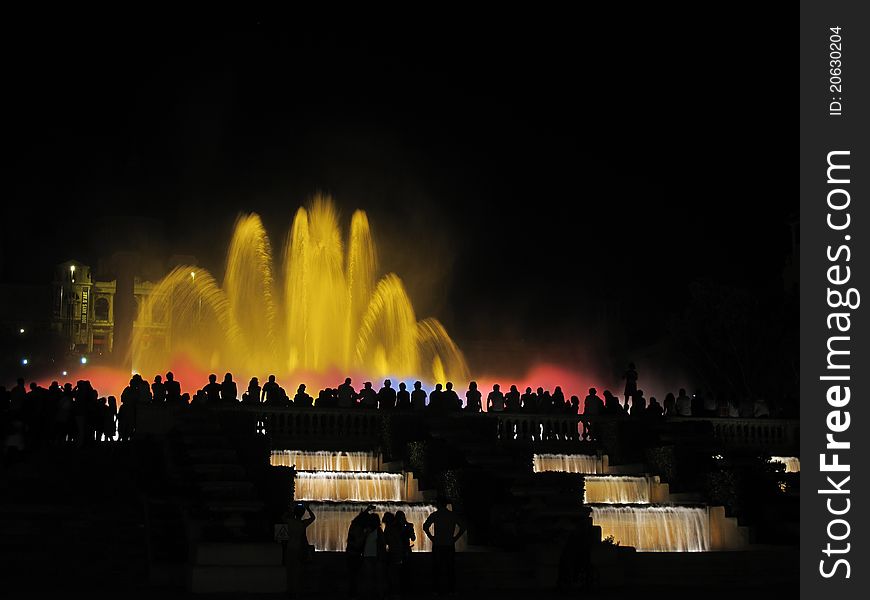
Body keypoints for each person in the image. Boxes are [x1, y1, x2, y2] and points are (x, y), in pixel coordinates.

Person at [423, 497, 465, 597]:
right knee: (450, 568)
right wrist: (455, 538)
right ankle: (451, 590)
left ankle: (436, 590)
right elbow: (463, 527)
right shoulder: (452, 515)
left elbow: (425, 527)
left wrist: (431, 537)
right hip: (449, 544)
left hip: (438, 544)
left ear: (438, 504)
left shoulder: (435, 515)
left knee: (436, 568)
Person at [283, 502, 316, 600]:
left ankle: (289, 591)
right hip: (298, 549)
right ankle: (296, 592)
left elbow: (283, 517)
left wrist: (290, 510)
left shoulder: (290, 522)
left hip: (289, 549)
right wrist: (308, 509)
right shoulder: (302, 524)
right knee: (297, 572)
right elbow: (313, 518)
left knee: (289, 571)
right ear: (302, 514)